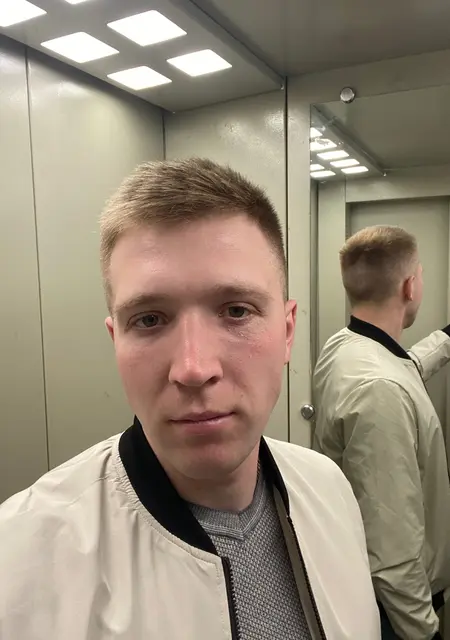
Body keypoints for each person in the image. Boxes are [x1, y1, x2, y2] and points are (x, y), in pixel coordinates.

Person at [0, 159, 380, 639]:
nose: (194, 368)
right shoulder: (21, 560)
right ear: (116, 341)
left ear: (287, 332)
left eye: (236, 311)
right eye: (149, 320)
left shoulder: (328, 490)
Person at [313, 225, 450, 640]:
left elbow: (401, 368)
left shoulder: (346, 346)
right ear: (410, 286)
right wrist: (423, 632)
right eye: (420, 274)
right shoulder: (379, 391)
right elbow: (393, 555)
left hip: (372, 593)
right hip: (395, 612)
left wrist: (445, 340)